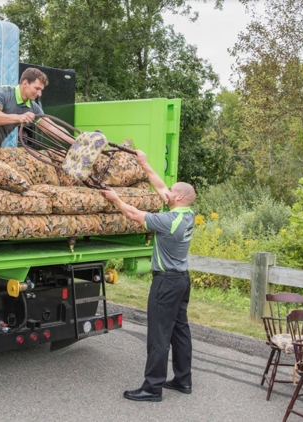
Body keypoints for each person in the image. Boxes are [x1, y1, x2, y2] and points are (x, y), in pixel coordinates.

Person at [101, 150, 196, 402]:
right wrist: (144, 163)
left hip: (166, 283)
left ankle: (152, 387)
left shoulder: (168, 220)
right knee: (179, 330)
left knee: (159, 334)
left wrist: (115, 198)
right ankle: (183, 380)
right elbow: (161, 186)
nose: (166, 192)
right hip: (182, 280)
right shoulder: (187, 214)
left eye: (171, 191)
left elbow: (133, 214)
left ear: (178, 197)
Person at [0, 67, 74, 146]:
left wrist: (77, 142)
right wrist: (18, 117)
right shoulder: (3, 93)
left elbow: (51, 127)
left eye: (41, 90)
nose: (39, 94)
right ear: (25, 83)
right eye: (37, 88)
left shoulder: (33, 107)